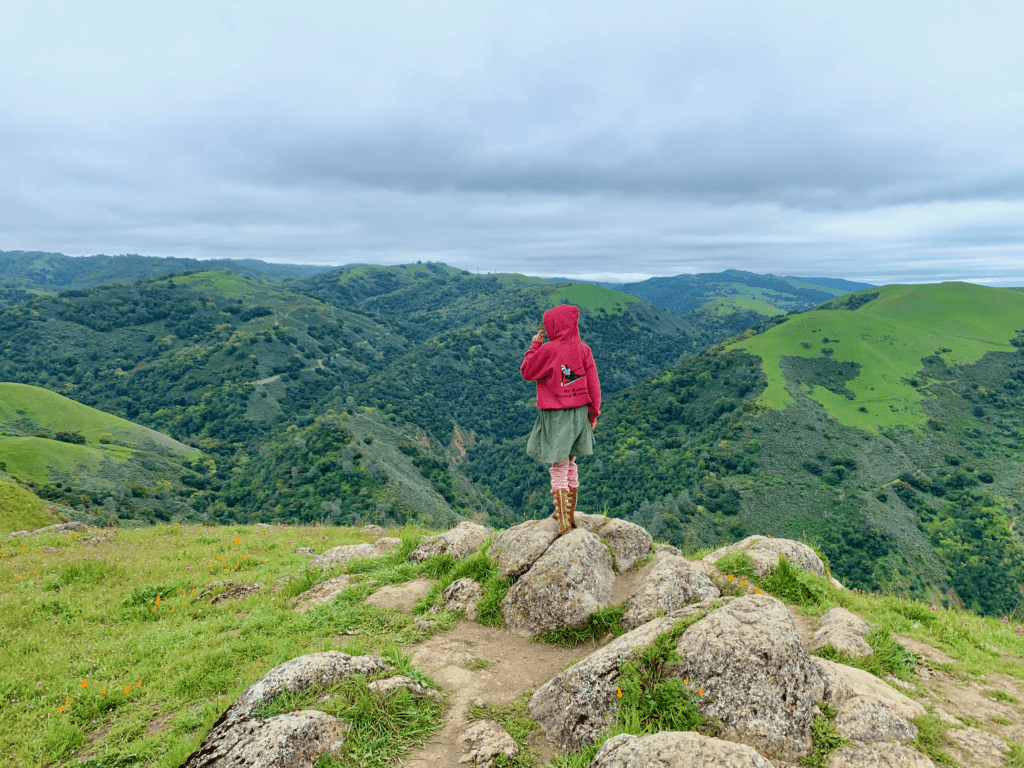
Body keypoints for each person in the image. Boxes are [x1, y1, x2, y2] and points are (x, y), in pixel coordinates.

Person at [520, 304, 601, 535]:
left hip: (556, 414)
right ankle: (569, 513)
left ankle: (563, 520)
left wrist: (535, 345)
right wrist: (593, 412)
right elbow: (593, 384)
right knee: (571, 462)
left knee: (558, 463)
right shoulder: (583, 349)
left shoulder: (549, 349)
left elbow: (527, 371)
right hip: (579, 413)